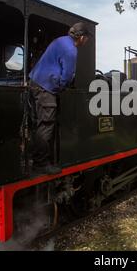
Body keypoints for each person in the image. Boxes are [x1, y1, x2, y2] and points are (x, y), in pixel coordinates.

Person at [29, 22, 91, 174]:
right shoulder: (71, 50)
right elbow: (67, 76)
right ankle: (40, 164)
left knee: (38, 122)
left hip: (35, 82)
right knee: (46, 123)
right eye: (87, 38)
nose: (87, 41)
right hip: (46, 87)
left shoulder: (60, 41)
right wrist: (62, 87)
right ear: (81, 37)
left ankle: (34, 156)